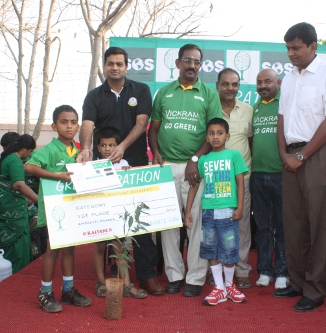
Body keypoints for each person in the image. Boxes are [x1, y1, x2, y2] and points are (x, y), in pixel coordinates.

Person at [274, 22, 326, 312]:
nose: (291, 54)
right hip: (291, 156)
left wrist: (301, 156)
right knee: (293, 222)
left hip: (320, 154)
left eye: (296, 48)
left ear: (313, 46)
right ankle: (297, 281)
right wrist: (284, 154)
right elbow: (281, 120)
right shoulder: (290, 77)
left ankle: (315, 290)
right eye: (288, 49)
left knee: (318, 222)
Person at [79, 47, 163, 296]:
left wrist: (123, 148)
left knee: (140, 222)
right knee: (107, 224)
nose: (114, 67)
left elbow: (142, 123)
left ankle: (147, 275)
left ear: (127, 66)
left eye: (119, 63)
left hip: (135, 165)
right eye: (110, 64)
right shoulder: (94, 96)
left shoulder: (140, 90)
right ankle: (110, 276)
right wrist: (85, 148)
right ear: (104, 67)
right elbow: (87, 125)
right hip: (103, 169)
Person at [149, 44, 222, 297]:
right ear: (178, 62)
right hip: (166, 166)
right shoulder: (164, 93)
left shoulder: (209, 93)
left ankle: (195, 278)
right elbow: (154, 129)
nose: (192, 66)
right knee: (169, 224)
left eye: (197, 62)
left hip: (196, 168)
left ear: (201, 65)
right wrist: (156, 153)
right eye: (188, 61)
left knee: (196, 223)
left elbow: (213, 133)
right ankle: (175, 275)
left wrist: (195, 159)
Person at [25, 105, 92, 313]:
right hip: (55, 210)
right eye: (64, 122)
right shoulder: (50, 150)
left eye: (73, 122)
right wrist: (58, 176)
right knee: (52, 250)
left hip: (73, 207)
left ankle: (68, 290)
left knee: (70, 249)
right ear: (55, 126)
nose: (69, 126)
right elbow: (29, 166)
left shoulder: (79, 150)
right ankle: (44, 293)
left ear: (78, 125)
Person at [184, 118, 248, 305]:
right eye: (211, 133)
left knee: (229, 249)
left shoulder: (234, 155)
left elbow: (240, 183)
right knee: (211, 249)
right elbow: (194, 187)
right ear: (207, 137)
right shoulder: (203, 160)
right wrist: (188, 211)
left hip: (228, 210)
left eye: (220, 133)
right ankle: (219, 288)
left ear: (227, 136)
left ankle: (229, 285)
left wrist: (240, 207)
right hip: (208, 212)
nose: (216, 137)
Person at [92, 127, 147, 299]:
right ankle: (101, 282)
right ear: (98, 147)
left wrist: (128, 173)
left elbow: (130, 185)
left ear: (118, 146)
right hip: (99, 213)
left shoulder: (124, 165)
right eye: (103, 145)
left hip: (118, 214)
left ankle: (127, 284)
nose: (107, 149)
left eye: (112, 145)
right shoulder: (92, 165)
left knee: (120, 248)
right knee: (100, 247)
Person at [215, 68, 254, 289]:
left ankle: (241, 270)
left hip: (242, 178)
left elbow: (251, 142)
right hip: (214, 178)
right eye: (226, 84)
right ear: (217, 85)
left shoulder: (248, 110)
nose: (230, 88)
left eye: (235, 84)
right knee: (215, 225)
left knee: (241, 225)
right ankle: (217, 268)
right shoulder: (210, 109)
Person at [251, 69, 288, 289]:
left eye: (267, 81)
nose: (263, 85)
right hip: (257, 174)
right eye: (259, 82)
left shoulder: (285, 105)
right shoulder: (254, 108)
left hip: (281, 174)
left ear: (279, 83)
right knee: (263, 226)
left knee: (282, 227)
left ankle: (283, 272)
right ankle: (265, 270)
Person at [0, 134, 38, 274]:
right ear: (25, 149)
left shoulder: (4, 157)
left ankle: (2, 274)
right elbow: (19, 185)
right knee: (18, 242)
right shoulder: (15, 160)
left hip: (1, 207)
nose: (29, 155)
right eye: (30, 151)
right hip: (13, 212)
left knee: (2, 246)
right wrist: (39, 200)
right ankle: (17, 275)